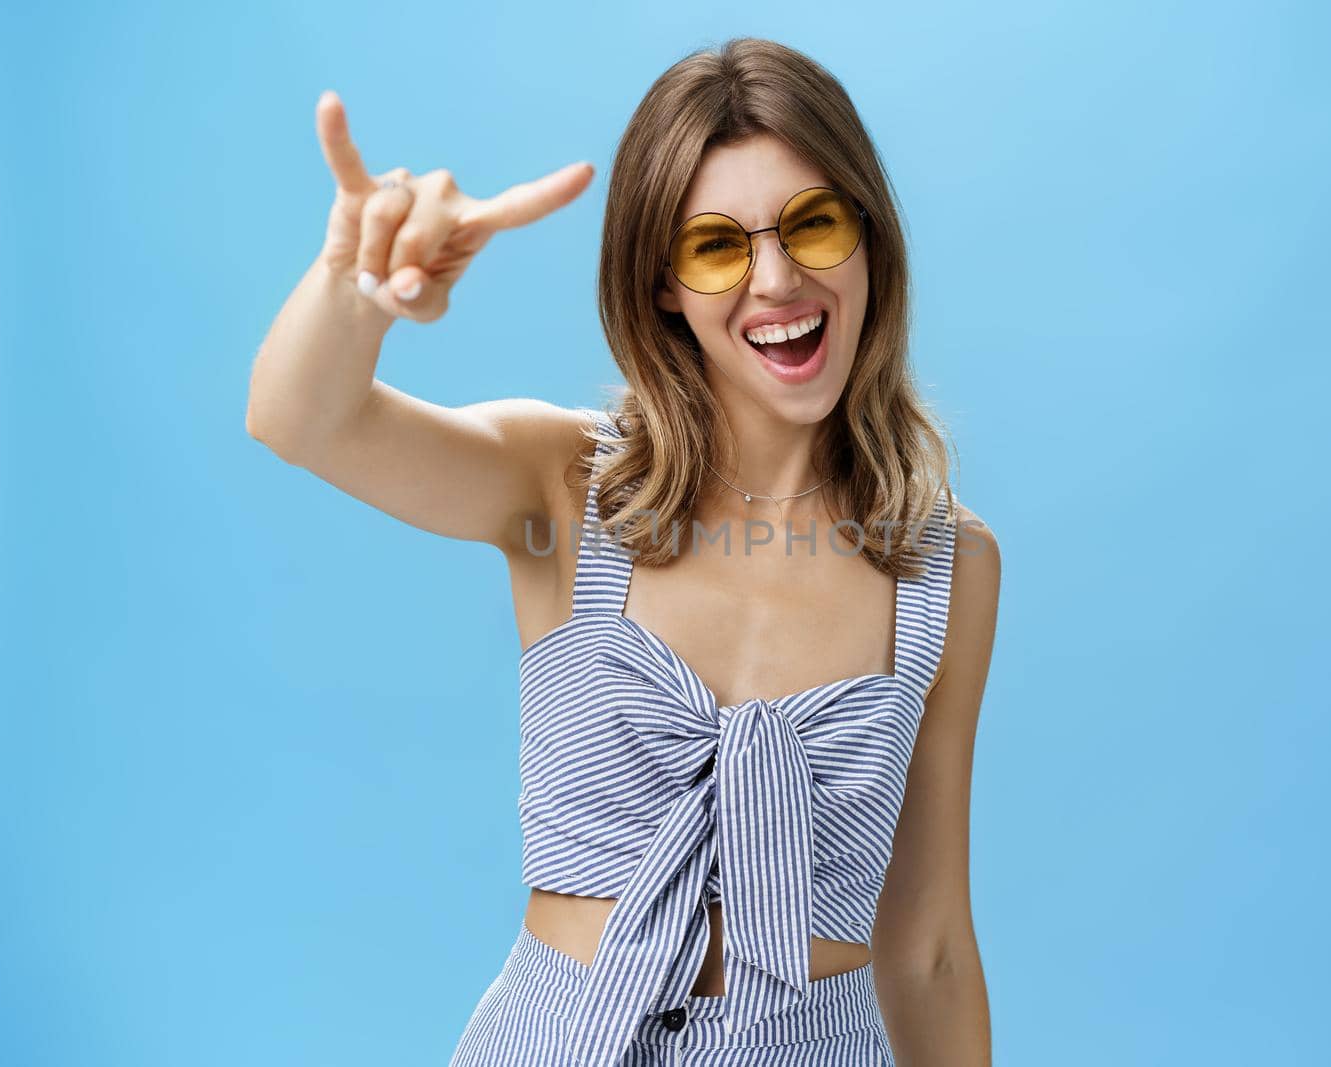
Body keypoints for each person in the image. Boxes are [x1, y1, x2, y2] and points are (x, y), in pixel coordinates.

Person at [247, 36, 998, 1067]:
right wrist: (355, 283)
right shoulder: (563, 487)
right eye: (716, 246)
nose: (774, 279)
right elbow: (302, 420)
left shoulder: (947, 566)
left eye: (813, 225)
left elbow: (930, 950)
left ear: (868, 239)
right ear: (661, 286)